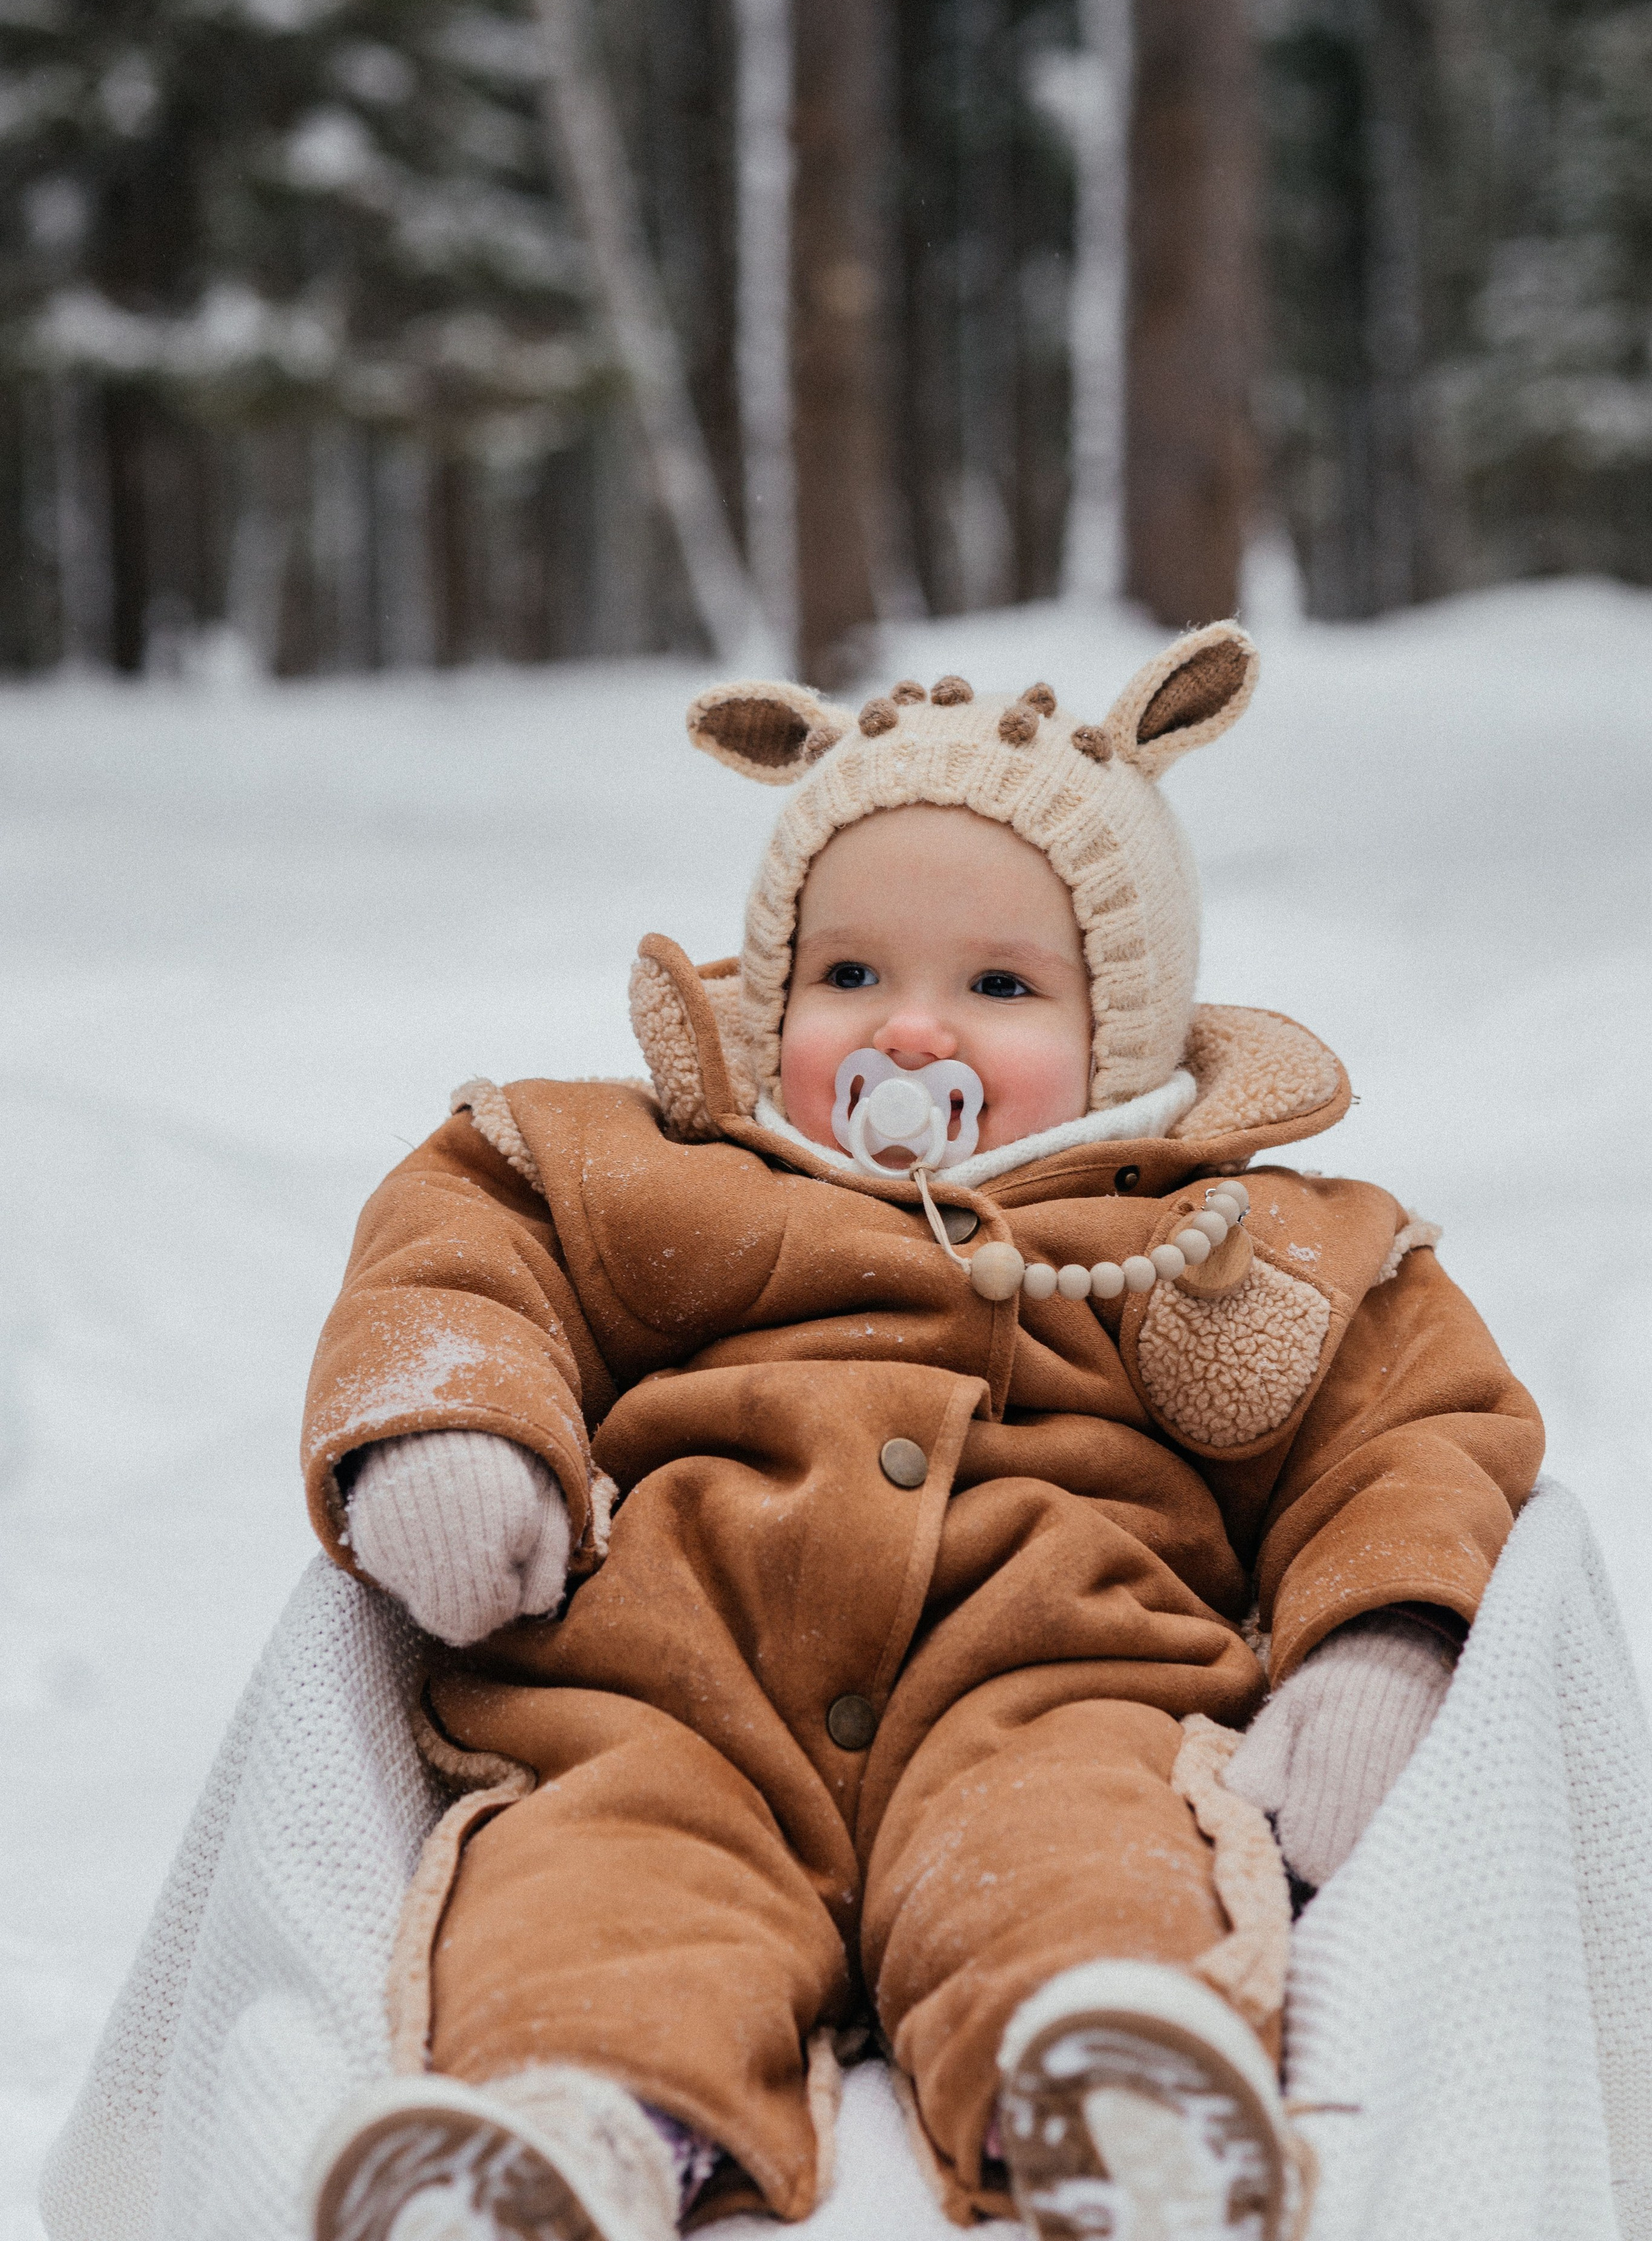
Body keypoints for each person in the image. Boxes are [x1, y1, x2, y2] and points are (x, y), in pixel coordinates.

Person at [299, 625, 1541, 2241]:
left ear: (1124, 1027)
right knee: (597, 1895)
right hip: (668, 1694)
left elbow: (1413, 1424)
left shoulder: (1224, 1232)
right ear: (775, 995)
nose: (907, 1034)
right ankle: (573, 2136)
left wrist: (1376, 1636)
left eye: (999, 986)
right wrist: (456, 1422)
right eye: (851, 976)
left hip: (1057, 1685)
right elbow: (463, 1246)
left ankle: (1113, 2123)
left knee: (1084, 1869)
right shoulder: (661, 1167)